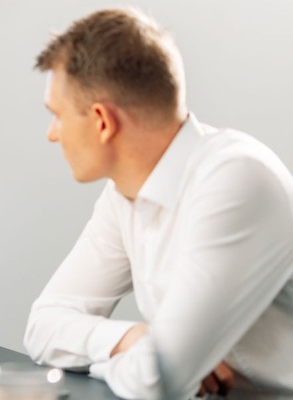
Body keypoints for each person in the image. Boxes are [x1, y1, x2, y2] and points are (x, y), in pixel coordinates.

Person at [24, 6, 293, 399]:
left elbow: (153, 380)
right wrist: (134, 338)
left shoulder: (237, 181)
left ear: (102, 121)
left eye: (58, 116)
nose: (52, 134)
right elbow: (42, 327)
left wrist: (135, 358)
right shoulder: (124, 192)